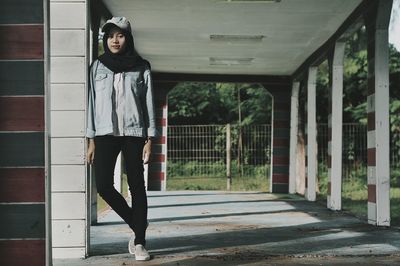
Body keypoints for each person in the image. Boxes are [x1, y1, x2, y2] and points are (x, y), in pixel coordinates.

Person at [86, 16, 156, 261]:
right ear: (105, 39)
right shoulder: (97, 67)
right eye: (110, 35)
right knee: (104, 185)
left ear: (128, 38)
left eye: (120, 35)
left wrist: (150, 138)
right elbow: (91, 104)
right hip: (105, 133)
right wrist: (91, 138)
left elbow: (149, 104)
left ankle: (139, 243)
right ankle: (139, 225)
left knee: (137, 185)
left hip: (135, 133)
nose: (115, 40)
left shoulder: (142, 66)